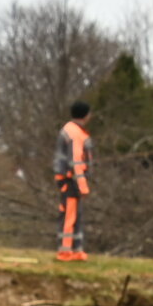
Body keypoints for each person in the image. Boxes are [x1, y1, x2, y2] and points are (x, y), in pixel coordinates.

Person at [54, 101, 94, 261]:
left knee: (76, 215)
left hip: (70, 180)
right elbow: (76, 161)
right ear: (85, 114)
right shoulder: (75, 133)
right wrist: (82, 185)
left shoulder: (73, 130)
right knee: (70, 216)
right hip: (70, 180)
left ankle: (77, 250)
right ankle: (65, 251)